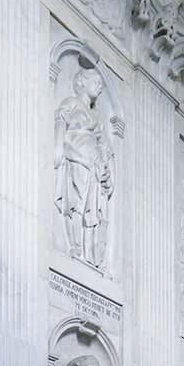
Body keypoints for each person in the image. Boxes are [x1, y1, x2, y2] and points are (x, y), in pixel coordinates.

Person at [54, 65, 114, 269]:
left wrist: (109, 173)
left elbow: (105, 146)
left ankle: (91, 255)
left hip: (96, 164)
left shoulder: (97, 117)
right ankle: (75, 246)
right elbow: (61, 122)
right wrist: (57, 148)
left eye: (100, 82)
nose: (99, 85)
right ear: (81, 82)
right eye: (95, 80)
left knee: (94, 210)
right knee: (77, 203)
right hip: (78, 156)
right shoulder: (71, 103)